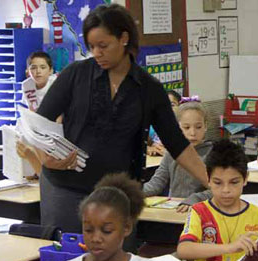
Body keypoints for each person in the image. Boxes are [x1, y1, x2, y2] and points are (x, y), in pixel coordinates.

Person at [35, 4, 207, 232]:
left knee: (118, 260)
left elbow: (177, 145)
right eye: (92, 46)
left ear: (124, 38)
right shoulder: (75, 74)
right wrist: (44, 157)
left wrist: (213, 182)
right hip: (66, 188)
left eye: (103, 45)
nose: (97, 52)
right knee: (70, 255)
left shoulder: (148, 88)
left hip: (119, 194)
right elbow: (39, 124)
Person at [142, 101, 212, 213]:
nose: (193, 133)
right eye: (186, 127)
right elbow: (156, 184)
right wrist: (131, 193)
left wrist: (195, 199)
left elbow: (219, 190)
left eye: (198, 127)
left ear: (205, 126)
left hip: (202, 211)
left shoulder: (213, 154)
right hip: (177, 210)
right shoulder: (172, 153)